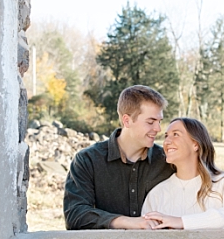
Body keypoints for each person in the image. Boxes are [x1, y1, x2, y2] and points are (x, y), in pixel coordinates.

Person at [64, 85, 174, 230]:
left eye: (159, 121)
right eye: (150, 122)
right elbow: (75, 215)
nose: (158, 129)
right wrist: (128, 222)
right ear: (127, 121)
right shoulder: (87, 160)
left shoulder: (168, 161)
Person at [142, 117, 224, 229]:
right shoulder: (157, 194)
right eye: (166, 136)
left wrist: (182, 222)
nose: (167, 141)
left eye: (175, 134)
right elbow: (146, 238)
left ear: (195, 144)